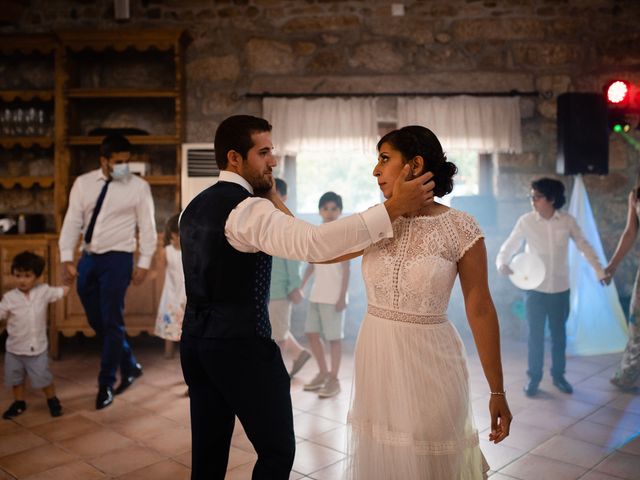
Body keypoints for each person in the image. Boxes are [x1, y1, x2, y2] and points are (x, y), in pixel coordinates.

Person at [179, 115, 435, 480]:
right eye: (263, 152)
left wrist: (270, 193)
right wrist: (392, 209)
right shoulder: (248, 210)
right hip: (242, 349)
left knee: (208, 452)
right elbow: (315, 244)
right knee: (277, 451)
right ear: (235, 158)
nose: (273, 160)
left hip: (196, 346)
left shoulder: (195, 206)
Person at [342, 126, 511, 479]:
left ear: (415, 165)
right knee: (386, 457)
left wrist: (497, 390)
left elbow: (480, 307)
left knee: (429, 459)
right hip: (377, 361)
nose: (376, 170)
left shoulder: (460, 227)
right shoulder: (376, 219)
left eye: (385, 159)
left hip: (431, 366)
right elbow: (318, 250)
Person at [59, 133, 157, 410]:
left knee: (112, 320)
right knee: (98, 320)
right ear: (103, 160)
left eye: (126, 161)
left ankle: (106, 383)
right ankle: (130, 363)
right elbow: (72, 222)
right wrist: (67, 257)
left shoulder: (138, 187)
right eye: (117, 162)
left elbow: (147, 227)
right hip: (88, 258)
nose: (123, 167)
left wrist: (144, 263)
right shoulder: (83, 184)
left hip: (119, 259)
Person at [496, 177, 609, 397]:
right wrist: (502, 263)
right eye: (532, 196)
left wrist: (600, 271)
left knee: (559, 336)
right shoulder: (526, 221)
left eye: (536, 197)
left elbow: (585, 246)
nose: (532, 201)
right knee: (535, 336)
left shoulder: (567, 221)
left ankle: (559, 376)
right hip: (534, 290)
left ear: (551, 199)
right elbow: (509, 245)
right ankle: (534, 379)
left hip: (560, 289)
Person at [0, 251, 69, 419]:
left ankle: (52, 400)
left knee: (43, 378)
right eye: (18, 276)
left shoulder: (44, 291)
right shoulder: (9, 298)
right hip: (14, 350)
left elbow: (61, 292)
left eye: (27, 276)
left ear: (37, 276)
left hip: (37, 349)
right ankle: (19, 403)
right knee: (16, 379)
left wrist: (70, 280)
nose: (22, 280)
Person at [301, 191, 350, 398]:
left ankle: (334, 379)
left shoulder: (343, 236)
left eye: (334, 209)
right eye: (325, 208)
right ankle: (322, 372)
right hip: (316, 295)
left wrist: (342, 297)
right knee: (311, 333)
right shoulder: (317, 234)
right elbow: (312, 264)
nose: (329, 212)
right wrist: (302, 285)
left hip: (333, 298)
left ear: (339, 211)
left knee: (334, 339)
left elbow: (346, 270)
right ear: (320, 210)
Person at [268, 178, 311, 378]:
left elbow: (294, 258)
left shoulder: (287, 222)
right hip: (268, 289)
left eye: (275, 193)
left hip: (281, 290)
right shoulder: (269, 219)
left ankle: (276, 375)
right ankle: (299, 354)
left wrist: (295, 286)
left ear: (284, 196)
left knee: (278, 335)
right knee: (277, 328)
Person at [605, 173, 640, 392]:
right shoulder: (635, 195)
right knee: (636, 320)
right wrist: (612, 265)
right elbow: (629, 233)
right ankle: (629, 372)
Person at [154, 213, 186, 359]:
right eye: (175, 236)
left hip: (185, 292)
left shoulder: (189, 251)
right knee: (170, 322)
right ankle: (168, 352)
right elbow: (158, 271)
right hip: (171, 292)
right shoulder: (167, 251)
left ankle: (186, 351)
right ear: (171, 235)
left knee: (185, 322)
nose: (177, 240)